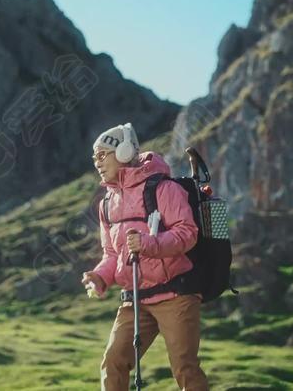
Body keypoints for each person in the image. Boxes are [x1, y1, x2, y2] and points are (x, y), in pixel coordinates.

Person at [82, 123, 209, 391]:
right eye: (94, 158)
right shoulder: (106, 204)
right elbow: (111, 254)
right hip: (135, 299)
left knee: (185, 368)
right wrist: (100, 276)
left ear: (124, 152)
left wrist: (149, 244)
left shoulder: (164, 189)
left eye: (102, 155)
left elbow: (187, 233)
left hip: (177, 294)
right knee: (113, 362)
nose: (97, 163)